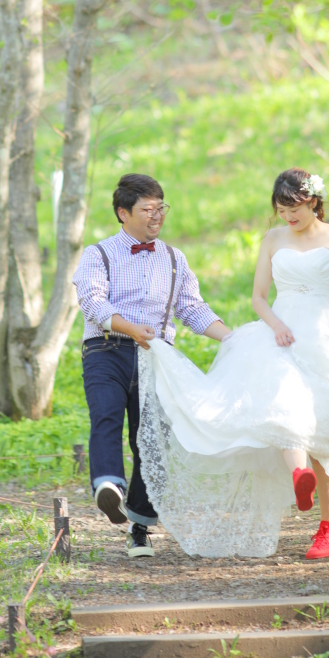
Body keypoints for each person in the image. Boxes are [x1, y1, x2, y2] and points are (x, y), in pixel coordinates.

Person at [137, 168, 329, 560]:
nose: (288, 216)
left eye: (295, 208)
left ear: (314, 202)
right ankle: (298, 474)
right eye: (282, 209)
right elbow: (259, 298)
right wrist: (277, 326)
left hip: (328, 337)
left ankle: (328, 529)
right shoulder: (273, 239)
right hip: (281, 332)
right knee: (285, 398)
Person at [72, 172, 232, 559]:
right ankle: (109, 486)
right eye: (148, 209)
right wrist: (131, 329)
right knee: (106, 416)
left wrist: (232, 336)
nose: (157, 215)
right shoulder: (99, 254)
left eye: (161, 207)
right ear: (123, 213)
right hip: (106, 350)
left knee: (151, 440)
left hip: (155, 356)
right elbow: (93, 302)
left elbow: (192, 309)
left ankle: (140, 526)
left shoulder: (175, 258)